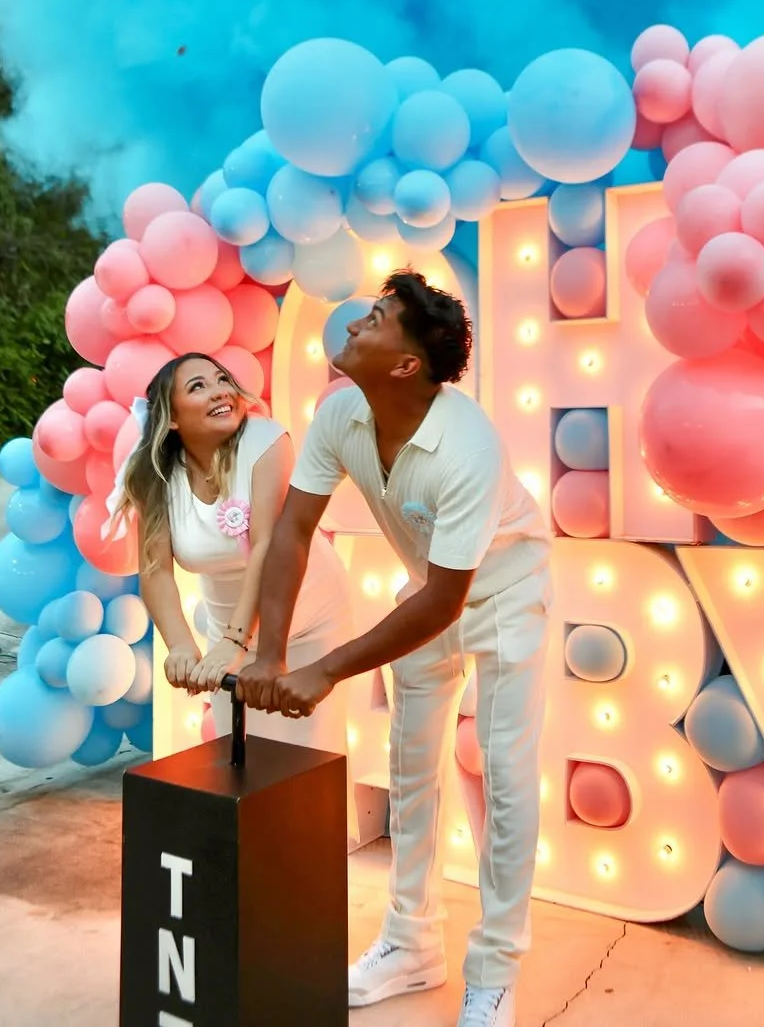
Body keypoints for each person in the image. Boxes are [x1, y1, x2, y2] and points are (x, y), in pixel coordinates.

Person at [238, 272, 552, 1027]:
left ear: (408, 364)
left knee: (506, 780)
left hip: (506, 594)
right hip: (428, 587)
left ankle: (494, 974)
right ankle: (411, 945)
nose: (353, 324)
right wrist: (270, 654)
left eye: (375, 320)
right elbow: (294, 530)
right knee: (411, 770)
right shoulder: (340, 412)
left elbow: (448, 603)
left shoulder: (466, 447)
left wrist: (325, 670)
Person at [109, 352, 353, 756]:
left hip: (310, 622)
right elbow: (156, 569)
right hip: (227, 633)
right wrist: (181, 645)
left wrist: (235, 642)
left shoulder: (266, 441)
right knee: (239, 762)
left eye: (222, 379)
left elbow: (266, 548)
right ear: (172, 418)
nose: (220, 391)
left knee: (312, 764)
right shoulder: (155, 475)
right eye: (198, 386)